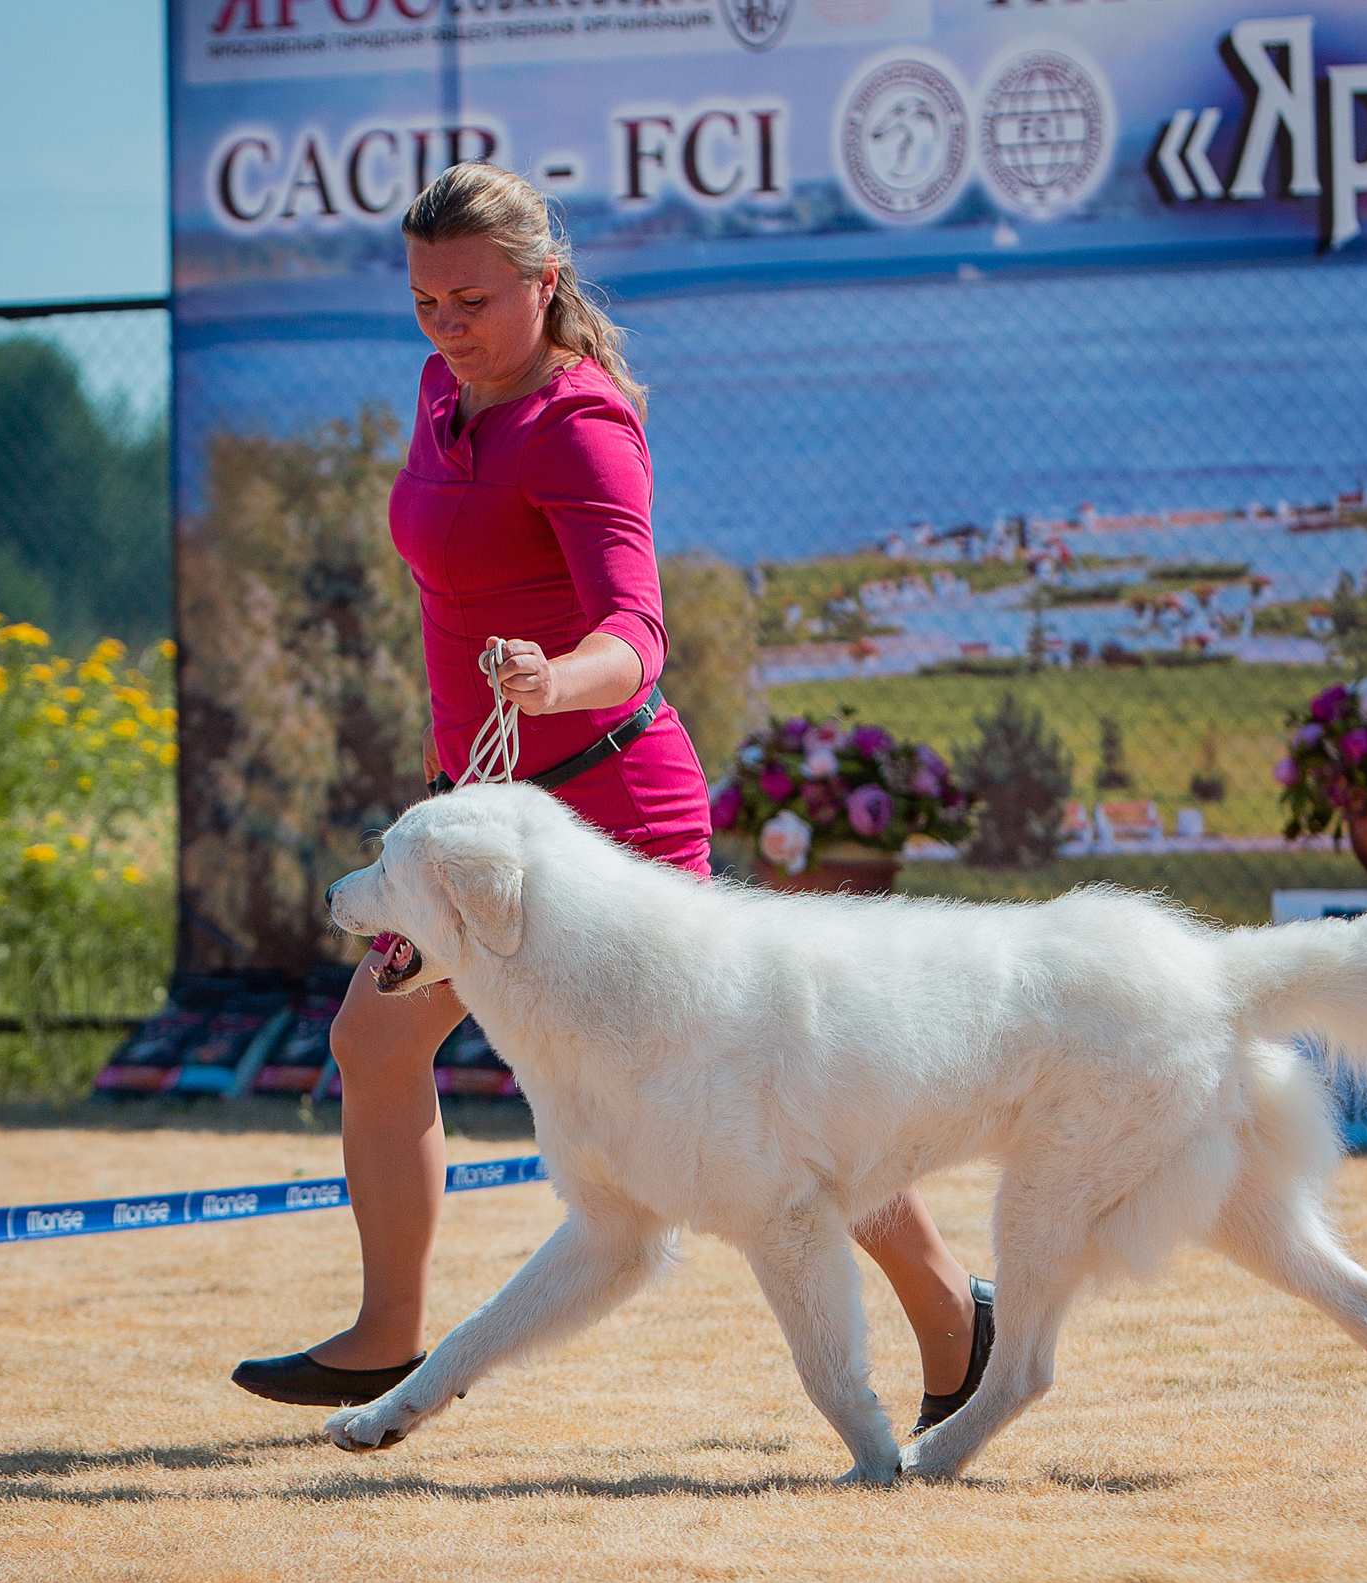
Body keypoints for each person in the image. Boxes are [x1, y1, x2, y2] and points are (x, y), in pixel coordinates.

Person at [232, 163, 994, 1435]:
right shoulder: (441, 391)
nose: (445, 327)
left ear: (544, 284)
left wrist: (550, 679)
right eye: (423, 302)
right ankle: (385, 1340)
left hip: (610, 819)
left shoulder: (583, 425)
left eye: (470, 300)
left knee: (752, 1104)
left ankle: (954, 1316)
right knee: (374, 1042)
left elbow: (636, 636)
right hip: (480, 824)